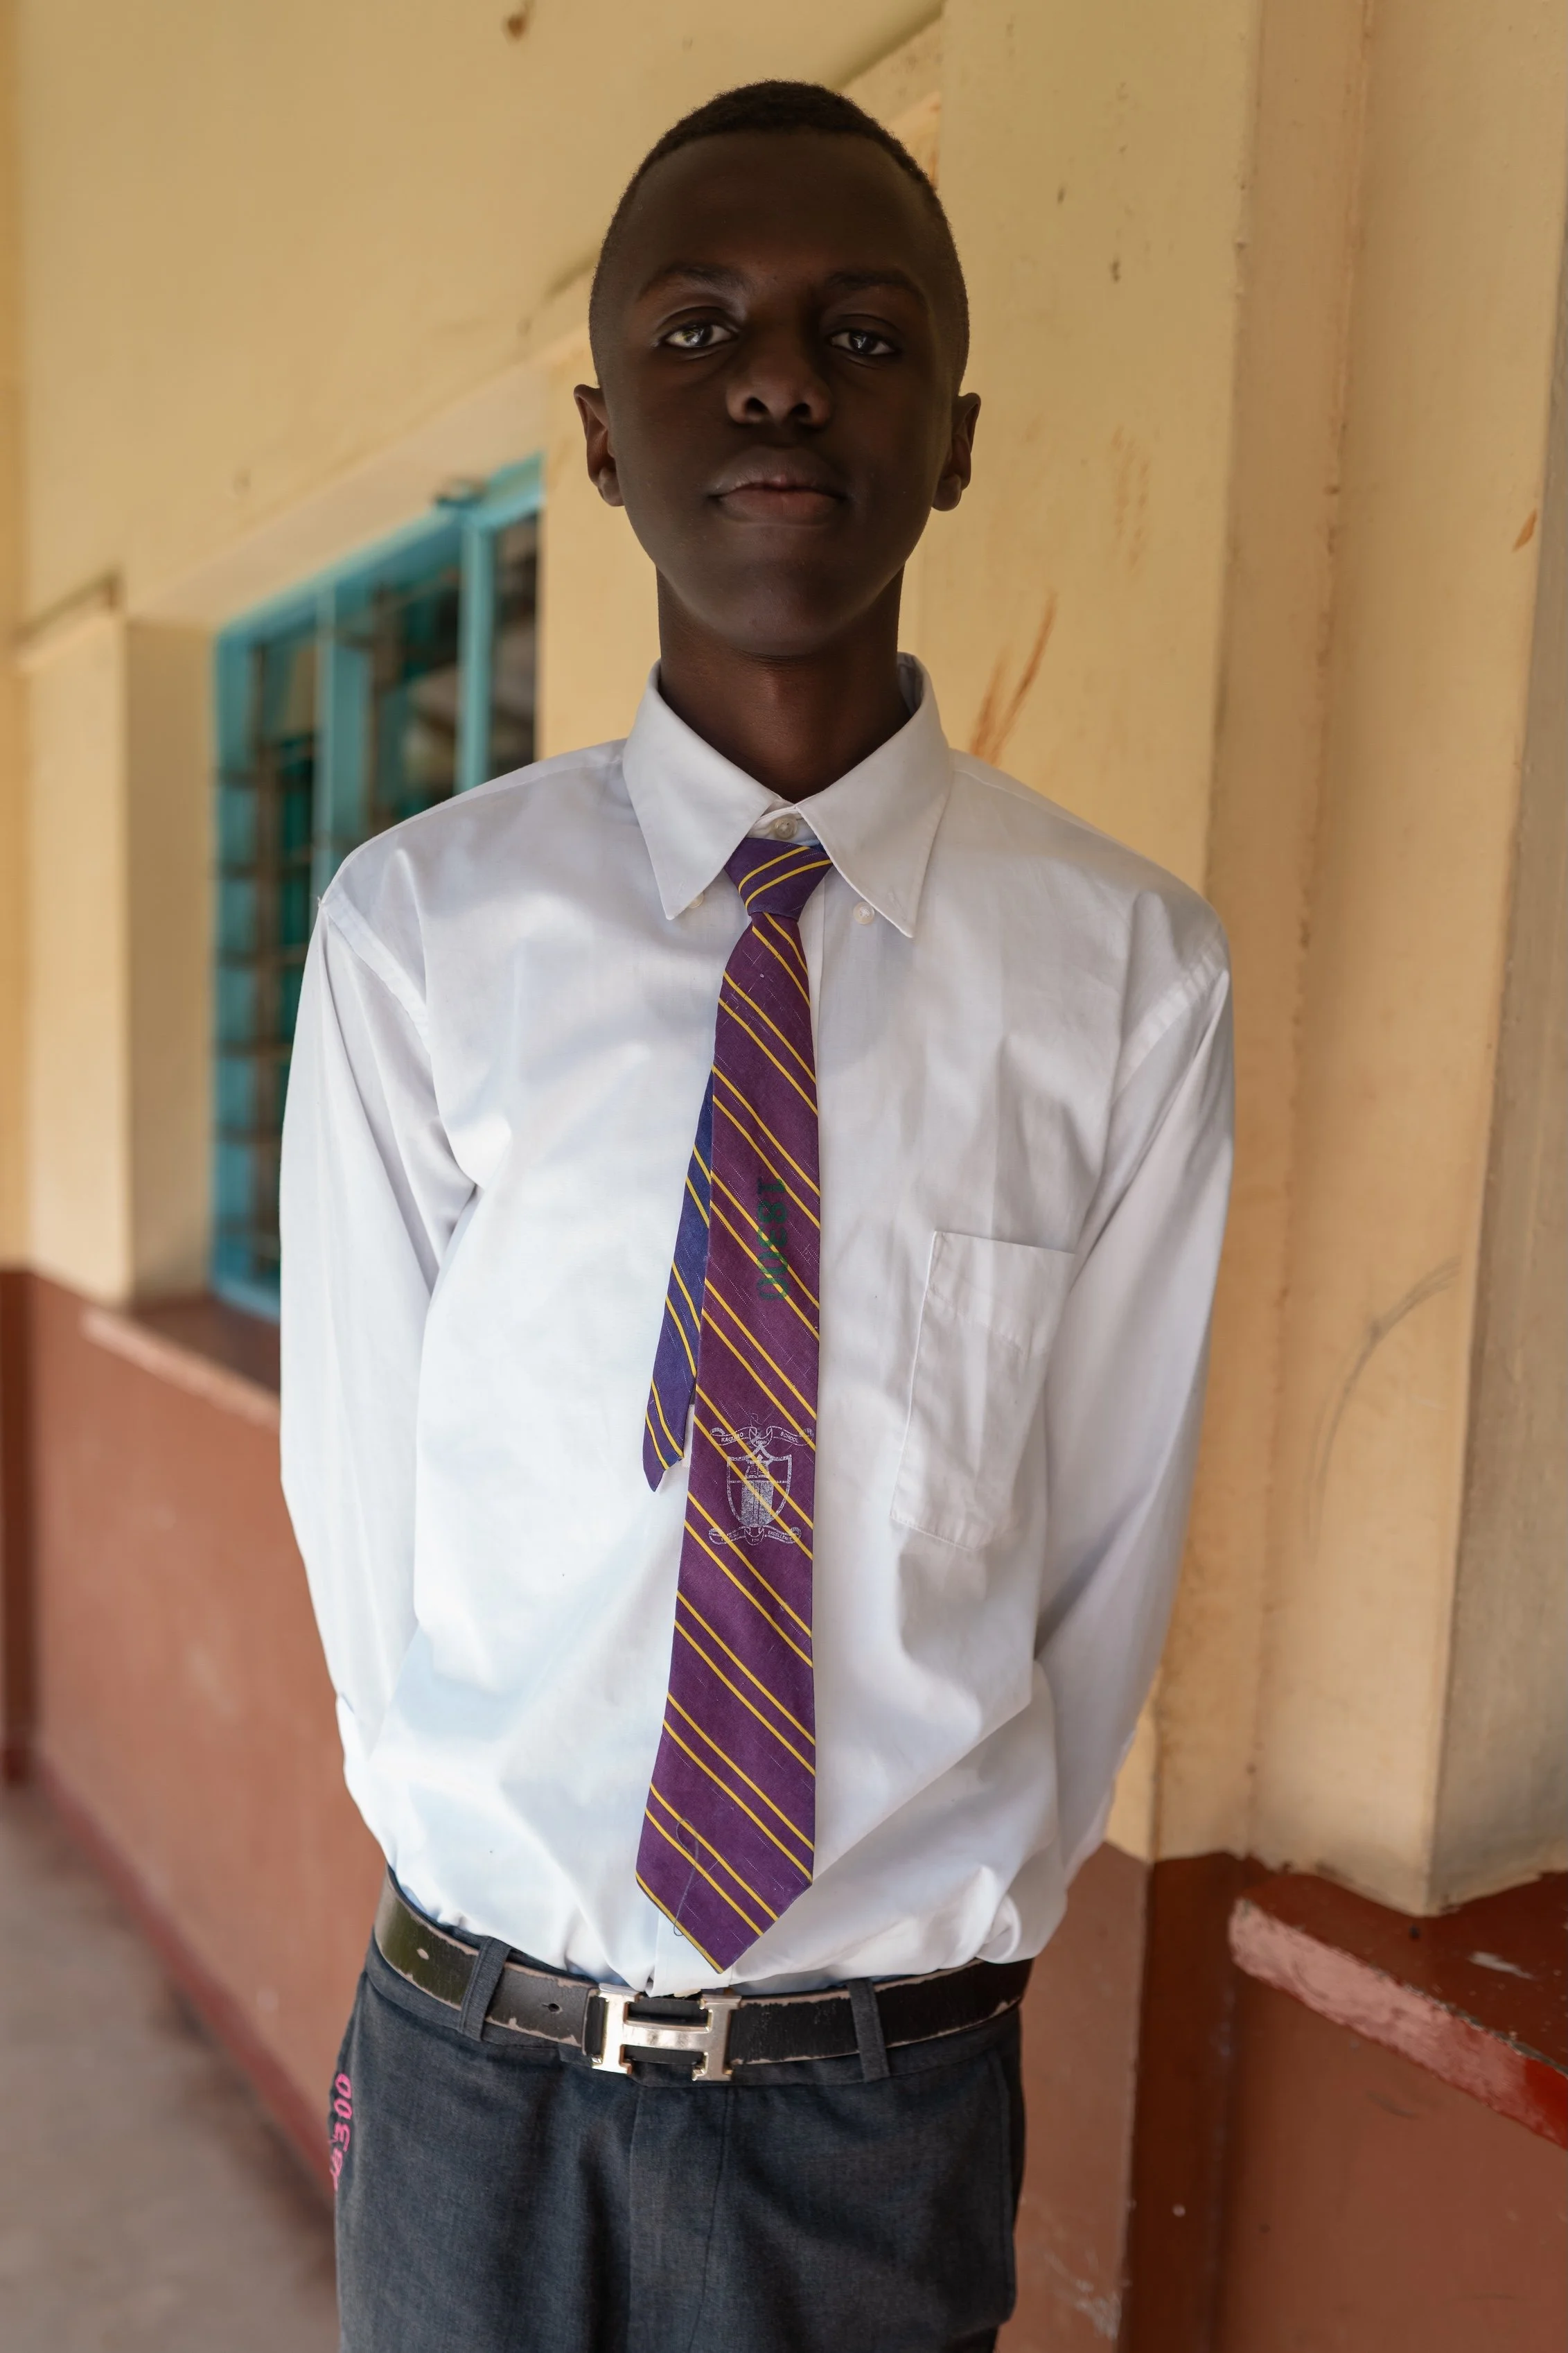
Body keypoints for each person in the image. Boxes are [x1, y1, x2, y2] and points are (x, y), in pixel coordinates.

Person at [280, 78, 1233, 2353]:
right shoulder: (419, 935)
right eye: (697, 330)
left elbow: (1103, 1547)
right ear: (602, 436)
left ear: (961, 434)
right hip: (473, 2080)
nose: (782, 375)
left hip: (866, 2115)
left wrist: (927, 1956)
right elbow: (362, 1494)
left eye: (861, 332)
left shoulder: (1122, 974)